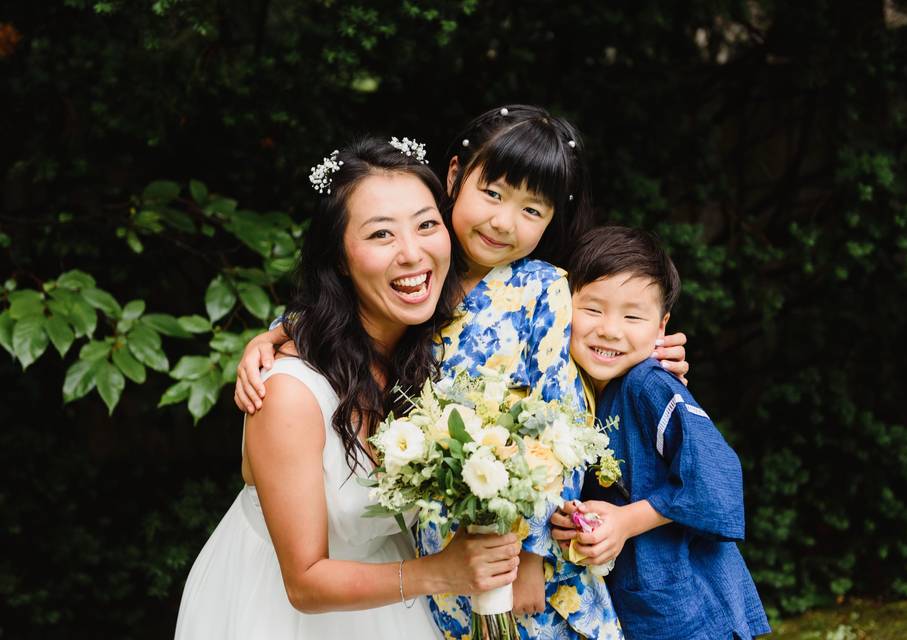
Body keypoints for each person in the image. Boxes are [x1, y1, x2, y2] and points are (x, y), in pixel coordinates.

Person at [232, 106, 689, 640]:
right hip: (440, 550)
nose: (502, 222)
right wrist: (273, 334)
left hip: (524, 548)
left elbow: (562, 417)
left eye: (531, 210)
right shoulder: (426, 284)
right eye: (492, 194)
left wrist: (536, 555)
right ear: (454, 177)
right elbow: (341, 317)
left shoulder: (544, 289)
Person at [175, 136, 521, 640]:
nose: (412, 253)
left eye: (427, 225)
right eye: (381, 235)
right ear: (339, 257)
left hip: (392, 605)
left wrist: (652, 354)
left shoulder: (437, 353)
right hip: (286, 616)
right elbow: (305, 582)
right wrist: (442, 573)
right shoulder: (289, 393)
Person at [550, 226, 771, 640]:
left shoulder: (649, 384)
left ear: (662, 326)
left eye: (632, 316)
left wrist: (625, 521)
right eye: (593, 309)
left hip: (693, 603)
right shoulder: (570, 388)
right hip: (642, 607)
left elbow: (717, 477)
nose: (610, 330)